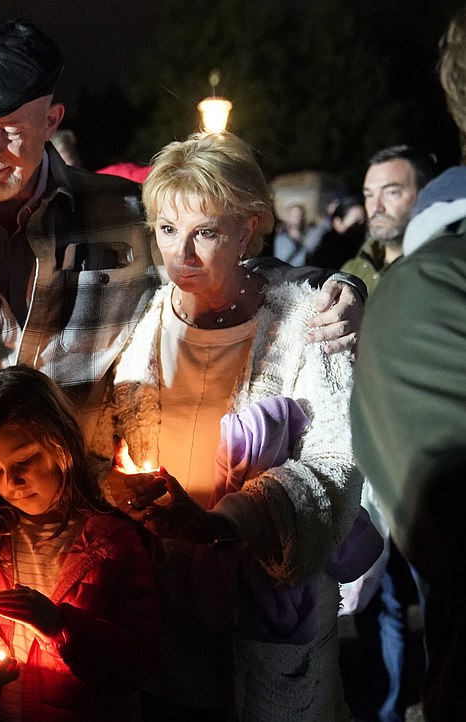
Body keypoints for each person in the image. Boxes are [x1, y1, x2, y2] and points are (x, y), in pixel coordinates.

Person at [0, 17, 365, 719]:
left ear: (52, 119)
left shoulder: (115, 213)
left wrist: (327, 287)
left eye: (11, 130)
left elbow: (208, 261)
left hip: (87, 549)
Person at [93, 131, 364, 721]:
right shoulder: (141, 319)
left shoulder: (305, 325)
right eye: (167, 229)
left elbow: (334, 464)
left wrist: (224, 523)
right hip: (158, 598)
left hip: (259, 603)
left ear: (250, 228)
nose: (180, 254)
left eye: (206, 232)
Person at [0, 365, 161, 722]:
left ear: (61, 442)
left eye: (24, 460)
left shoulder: (113, 543)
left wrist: (60, 626)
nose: (12, 482)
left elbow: (137, 659)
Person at [352, 5, 466, 719]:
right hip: (388, 499)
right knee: (386, 606)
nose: (376, 206)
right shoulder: (398, 286)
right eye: (368, 195)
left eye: (390, 190)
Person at [341, 145, 438, 294]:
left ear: (426, 194)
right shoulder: (352, 272)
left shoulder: (444, 270)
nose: (376, 207)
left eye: (391, 193)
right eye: (369, 195)